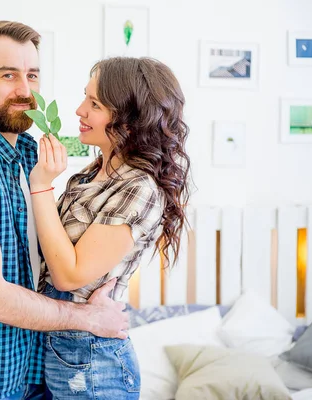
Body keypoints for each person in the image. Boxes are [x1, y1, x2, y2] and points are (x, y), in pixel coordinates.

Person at [0, 21, 129, 400]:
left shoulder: (31, 156)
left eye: (31, 75)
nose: (24, 90)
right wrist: (89, 319)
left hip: (31, 368)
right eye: (8, 75)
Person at [29, 57, 191, 398]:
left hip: (93, 364)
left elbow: (69, 276)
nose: (79, 110)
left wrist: (41, 186)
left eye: (95, 104)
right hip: (60, 347)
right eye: (85, 98)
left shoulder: (139, 188)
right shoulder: (91, 173)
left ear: (132, 121)